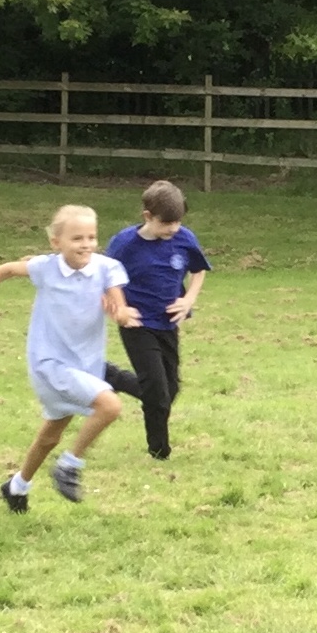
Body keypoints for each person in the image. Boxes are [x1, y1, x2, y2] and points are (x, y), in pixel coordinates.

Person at [0, 203, 140, 507]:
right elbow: (7, 269)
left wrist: (122, 315)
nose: (86, 244)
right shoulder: (46, 268)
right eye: (77, 238)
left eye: (91, 237)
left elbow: (118, 305)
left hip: (85, 364)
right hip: (50, 363)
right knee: (110, 405)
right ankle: (69, 466)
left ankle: (17, 487)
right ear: (56, 243)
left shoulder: (107, 268)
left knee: (50, 435)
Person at [104, 179, 210, 459]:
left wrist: (188, 300)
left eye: (178, 222)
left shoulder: (185, 239)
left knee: (169, 388)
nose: (173, 229)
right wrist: (119, 309)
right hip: (137, 324)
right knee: (158, 394)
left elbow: (199, 271)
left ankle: (112, 376)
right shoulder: (124, 244)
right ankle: (159, 450)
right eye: (167, 224)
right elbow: (103, 277)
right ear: (148, 217)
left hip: (168, 323)